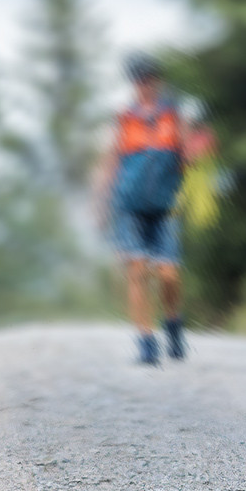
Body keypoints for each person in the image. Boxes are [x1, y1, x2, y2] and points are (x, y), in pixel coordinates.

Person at [94, 52, 215, 366]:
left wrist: (200, 145)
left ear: (157, 80)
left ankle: (173, 325)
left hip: (164, 207)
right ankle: (146, 343)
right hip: (129, 206)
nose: (144, 84)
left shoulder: (174, 116)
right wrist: (102, 202)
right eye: (138, 79)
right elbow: (110, 163)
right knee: (137, 270)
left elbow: (190, 156)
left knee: (169, 274)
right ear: (133, 84)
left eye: (149, 78)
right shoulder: (124, 119)